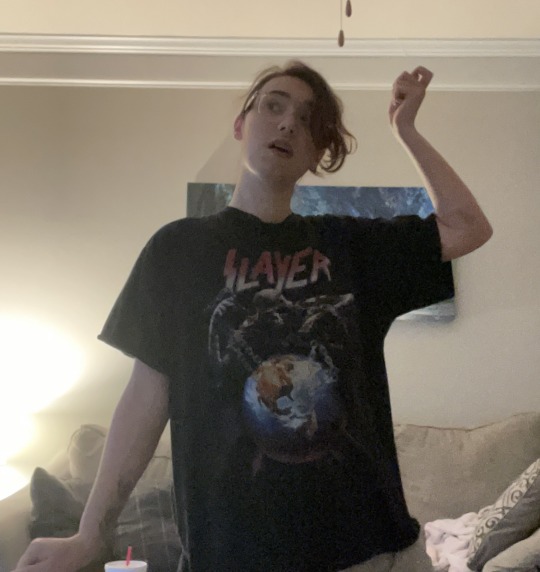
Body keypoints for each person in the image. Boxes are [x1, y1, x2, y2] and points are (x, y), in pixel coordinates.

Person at [13, 60, 492, 572]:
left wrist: (406, 130)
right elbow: (146, 397)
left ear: (317, 153)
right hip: (230, 557)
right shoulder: (176, 251)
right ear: (241, 125)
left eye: (307, 120)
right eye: (273, 106)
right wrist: (90, 535)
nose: (288, 124)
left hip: (372, 554)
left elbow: (468, 227)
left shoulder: (352, 247)